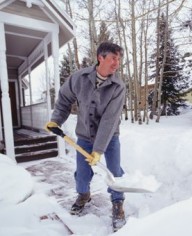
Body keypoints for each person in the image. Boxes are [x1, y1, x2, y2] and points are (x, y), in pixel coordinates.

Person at [45, 42, 126, 231]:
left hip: (110, 136)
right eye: (113, 58)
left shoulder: (118, 86)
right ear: (101, 58)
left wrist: (98, 150)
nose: (117, 63)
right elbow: (64, 100)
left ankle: (117, 203)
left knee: (113, 172)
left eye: (119, 59)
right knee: (82, 173)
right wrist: (56, 120)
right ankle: (83, 195)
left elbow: (109, 120)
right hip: (85, 135)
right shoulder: (79, 78)